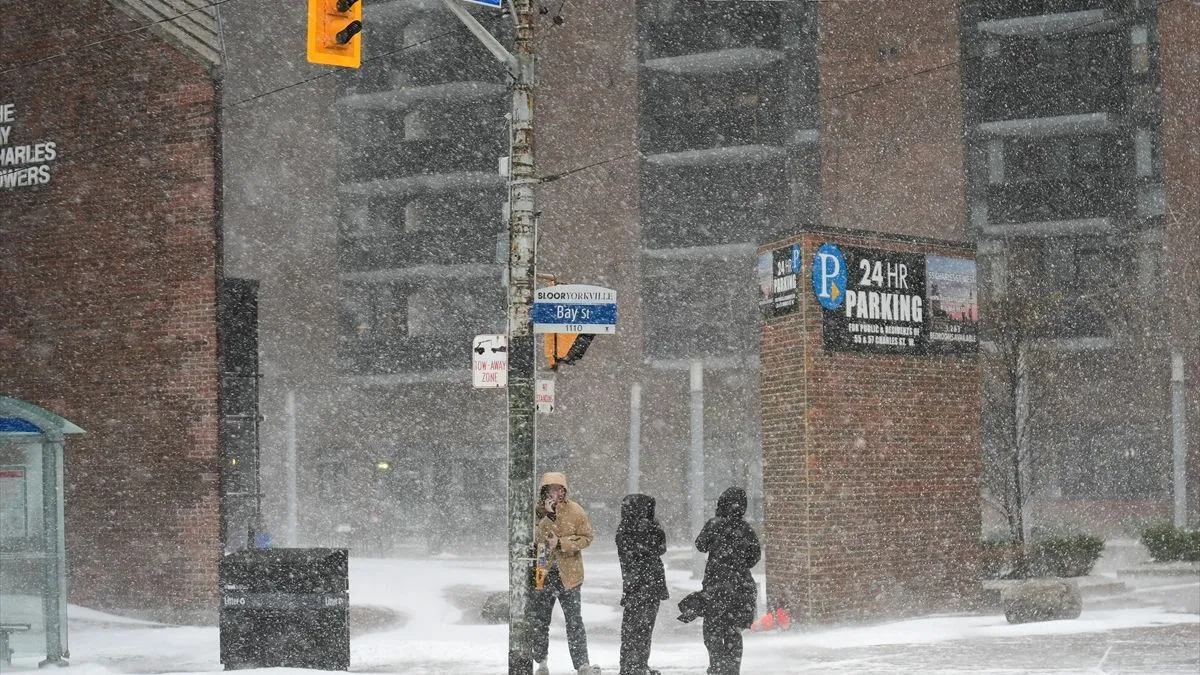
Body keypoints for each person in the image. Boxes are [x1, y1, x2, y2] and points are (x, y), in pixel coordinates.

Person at [531, 472, 600, 675]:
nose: (558, 493)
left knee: (574, 620)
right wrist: (548, 516)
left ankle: (582, 664)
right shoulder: (536, 512)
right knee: (540, 620)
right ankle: (541, 663)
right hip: (543, 572)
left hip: (570, 575)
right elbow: (536, 538)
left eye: (561, 489)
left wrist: (562, 543)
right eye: (553, 489)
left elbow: (587, 537)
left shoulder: (575, 510)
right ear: (545, 491)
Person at [695, 487, 761, 675]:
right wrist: (738, 564)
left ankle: (717, 667)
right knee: (733, 632)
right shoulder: (745, 529)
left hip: (716, 586)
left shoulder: (714, 524)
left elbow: (700, 545)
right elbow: (754, 556)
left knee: (713, 631)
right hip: (740, 587)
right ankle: (732, 669)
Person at [615, 494, 668, 675]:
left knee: (644, 628)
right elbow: (642, 552)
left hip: (648, 585)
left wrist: (651, 528)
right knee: (634, 628)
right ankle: (630, 666)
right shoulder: (626, 529)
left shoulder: (645, 526)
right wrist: (646, 531)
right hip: (638, 585)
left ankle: (639, 664)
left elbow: (661, 547)